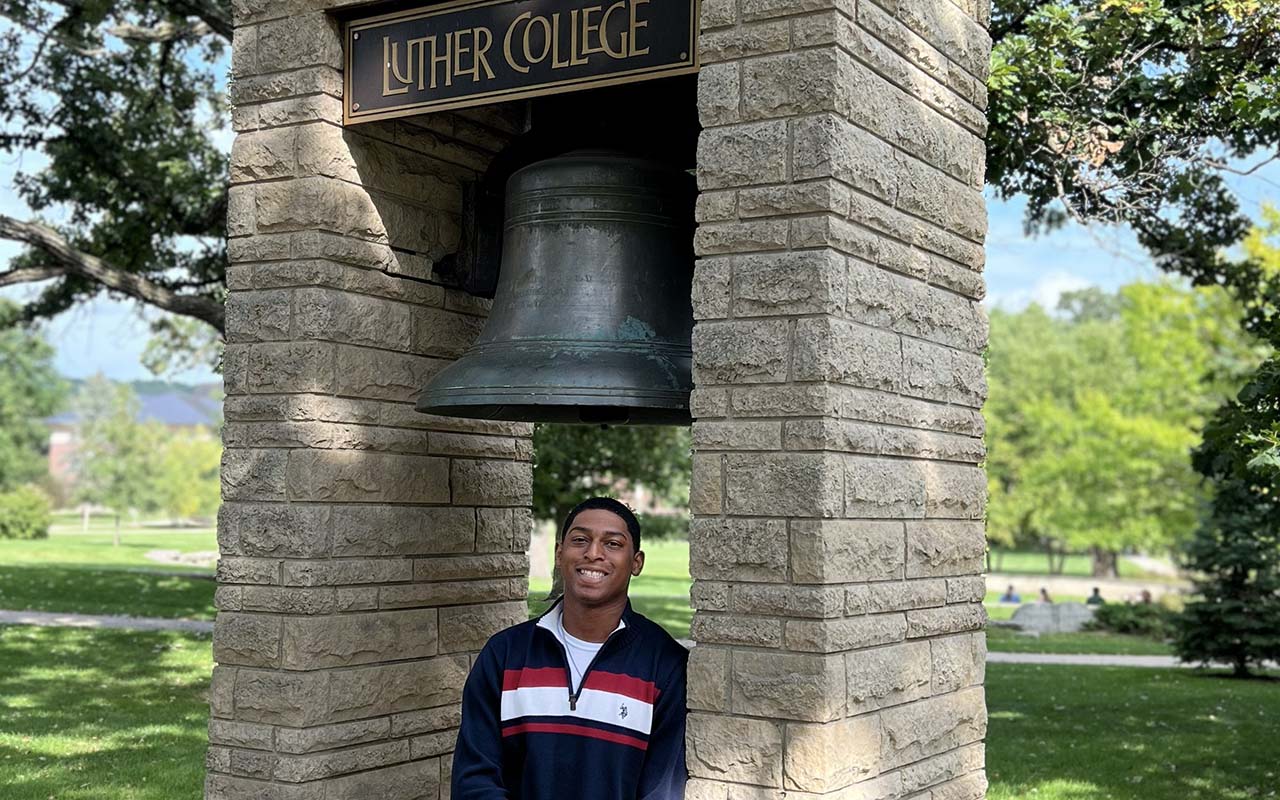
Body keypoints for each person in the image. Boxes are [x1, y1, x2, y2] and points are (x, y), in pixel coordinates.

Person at [452, 497, 688, 800]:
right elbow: (474, 779)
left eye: (613, 544)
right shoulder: (505, 655)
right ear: (559, 552)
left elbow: (661, 792)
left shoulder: (664, 665)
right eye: (580, 540)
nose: (593, 553)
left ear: (636, 562)